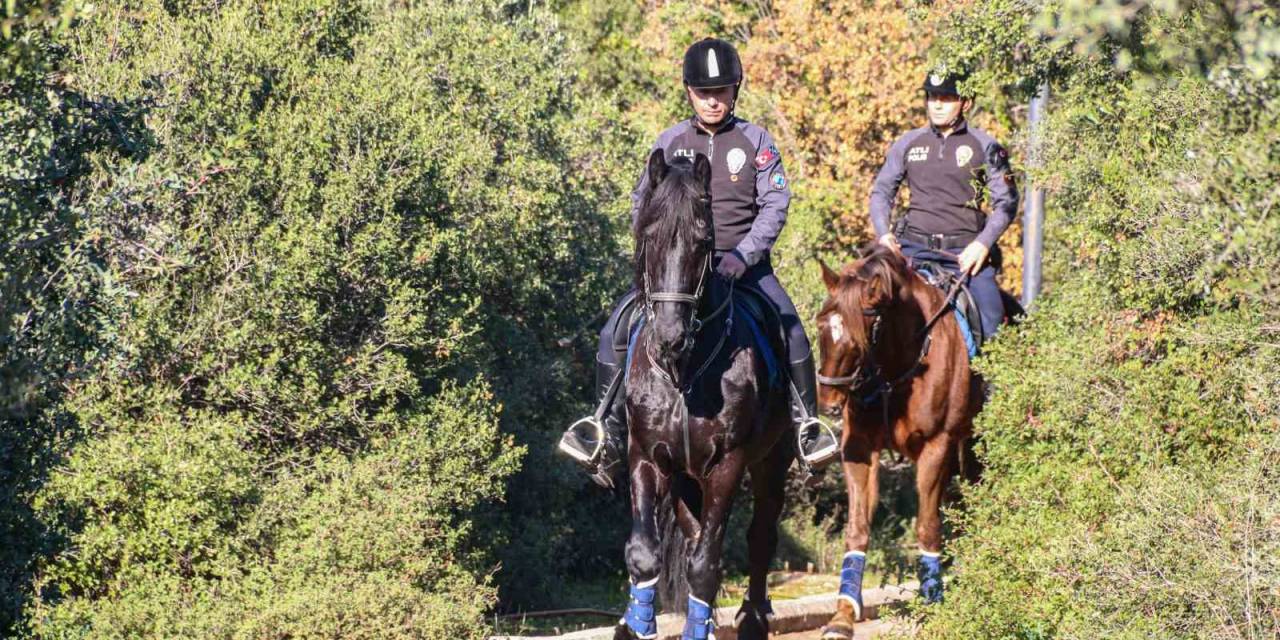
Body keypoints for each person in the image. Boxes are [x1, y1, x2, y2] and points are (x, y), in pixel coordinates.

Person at [558, 38, 839, 488]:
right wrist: (660, 253)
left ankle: (807, 429)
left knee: (793, 331)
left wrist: (743, 256)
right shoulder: (669, 142)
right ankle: (604, 434)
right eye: (704, 91)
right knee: (614, 329)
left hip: (742, 268)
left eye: (723, 90)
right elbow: (641, 204)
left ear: (735, 91)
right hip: (676, 274)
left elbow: (775, 204)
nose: (713, 99)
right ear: (689, 91)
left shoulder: (756, 141)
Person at [869, 70, 1018, 340]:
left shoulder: (986, 146)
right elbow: (881, 191)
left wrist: (982, 244)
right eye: (932, 96)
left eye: (946, 97)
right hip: (912, 250)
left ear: (966, 102)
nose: (936, 104)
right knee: (862, 307)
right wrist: (884, 235)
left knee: (992, 320)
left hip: (964, 257)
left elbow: (1007, 201)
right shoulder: (908, 142)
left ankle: (990, 383)